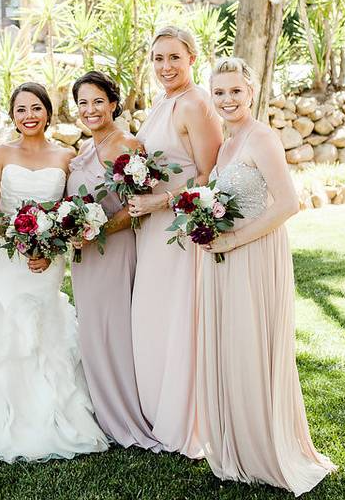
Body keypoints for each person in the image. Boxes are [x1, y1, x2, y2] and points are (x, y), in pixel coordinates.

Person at [0, 82, 108, 463]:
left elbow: (70, 211)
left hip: (49, 258)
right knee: (8, 323)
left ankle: (53, 412)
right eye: (21, 109)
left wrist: (48, 247)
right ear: (12, 114)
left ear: (48, 113)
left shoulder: (66, 155)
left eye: (36, 108)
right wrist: (21, 240)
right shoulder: (0, 153)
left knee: (44, 320)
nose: (29, 116)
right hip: (7, 255)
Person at [197, 57, 336, 495]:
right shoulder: (226, 144)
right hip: (224, 258)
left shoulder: (262, 138)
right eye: (219, 92)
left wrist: (234, 240)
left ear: (251, 91)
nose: (227, 99)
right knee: (233, 345)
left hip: (255, 254)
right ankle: (238, 443)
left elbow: (288, 203)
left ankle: (264, 449)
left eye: (235, 91)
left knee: (253, 344)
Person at [127, 26, 222, 456]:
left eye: (174, 58)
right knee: (155, 318)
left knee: (178, 319)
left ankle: (186, 418)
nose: (165, 67)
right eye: (158, 58)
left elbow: (208, 178)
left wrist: (158, 203)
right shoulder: (165, 103)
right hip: (153, 230)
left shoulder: (197, 104)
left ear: (192, 60)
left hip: (179, 232)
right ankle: (159, 410)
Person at [66, 71, 162, 452]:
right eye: (83, 103)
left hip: (113, 252)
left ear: (113, 103)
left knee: (113, 332)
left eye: (97, 101)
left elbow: (137, 208)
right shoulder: (88, 147)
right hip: (85, 258)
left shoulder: (126, 144)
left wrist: (96, 230)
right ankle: (104, 412)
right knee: (93, 332)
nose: (90, 109)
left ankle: (124, 415)